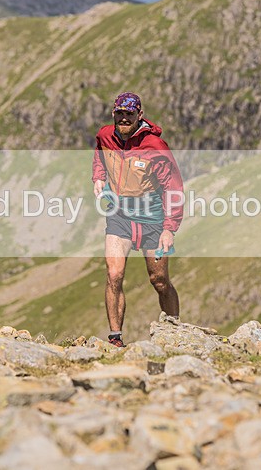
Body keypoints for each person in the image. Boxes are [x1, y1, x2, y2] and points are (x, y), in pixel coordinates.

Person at [92, 92, 184, 347]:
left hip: (152, 220)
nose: (124, 118)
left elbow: (174, 189)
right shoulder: (105, 135)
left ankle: (176, 333)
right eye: (120, 113)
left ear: (139, 115)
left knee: (159, 280)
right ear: (114, 114)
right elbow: (100, 154)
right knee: (114, 274)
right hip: (119, 215)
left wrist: (170, 229)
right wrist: (98, 176)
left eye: (129, 114)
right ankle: (115, 339)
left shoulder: (156, 147)